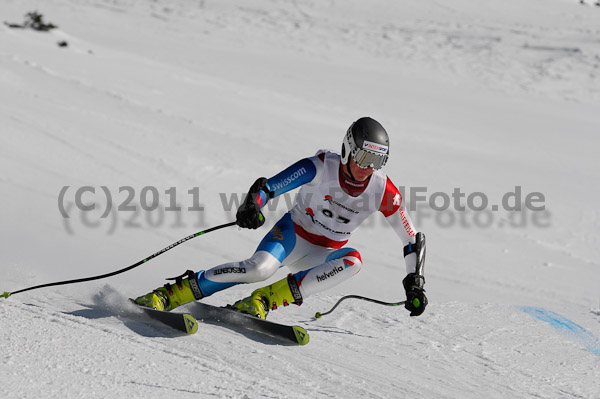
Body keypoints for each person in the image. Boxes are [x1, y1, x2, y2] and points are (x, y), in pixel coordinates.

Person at [135, 117, 428, 319]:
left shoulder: (382, 190)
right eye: (364, 158)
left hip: (324, 253)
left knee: (354, 262)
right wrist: (253, 204)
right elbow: (268, 187)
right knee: (258, 269)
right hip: (293, 235)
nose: (368, 169)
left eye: (377, 162)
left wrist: (415, 279)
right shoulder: (321, 166)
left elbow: (411, 238)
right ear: (348, 150)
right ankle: (170, 295)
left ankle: (262, 301)